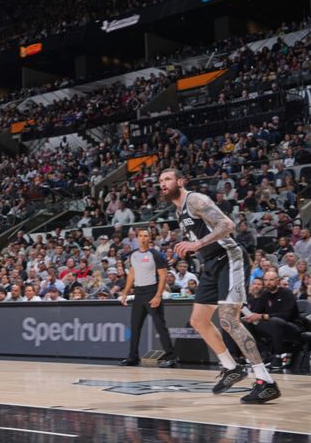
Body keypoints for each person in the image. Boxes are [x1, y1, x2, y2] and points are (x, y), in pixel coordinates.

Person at [160, 168, 280, 404]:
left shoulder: (195, 199)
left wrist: (196, 245)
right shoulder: (178, 210)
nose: (163, 184)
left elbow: (226, 225)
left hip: (229, 258)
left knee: (228, 320)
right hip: (211, 265)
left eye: (167, 179)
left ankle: (266, 381)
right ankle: (230, 367)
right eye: (161, 181)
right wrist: (188, 249)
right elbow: (199, 239)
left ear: (180, 181)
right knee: (198, 321)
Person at [118, 228, 177, 368]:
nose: (143, 238)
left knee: (160, 326)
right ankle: (133, 357)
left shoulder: (156, 254)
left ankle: (171, 358)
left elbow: (163, 277)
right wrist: (125, 293)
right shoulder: (133, 255)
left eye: (146, 236)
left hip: (152, 292)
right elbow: (132, 275)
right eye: (141, 236)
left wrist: (158, 295)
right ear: (137, 238)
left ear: (149, 238)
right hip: (138, 293)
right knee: (135, 327)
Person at [242, 271, 301, 370]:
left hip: (291, 327)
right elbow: (256, 312)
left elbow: (286, 315)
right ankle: (263, 354)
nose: (268, 282)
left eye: (271, 280)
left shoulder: (286, 293)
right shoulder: (265, 295)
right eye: (265, 280)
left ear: (277, 280)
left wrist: (262, 316)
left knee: (275, 321)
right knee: (245, 323)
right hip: (272, 326)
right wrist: (249, 317)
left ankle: (278, 357)